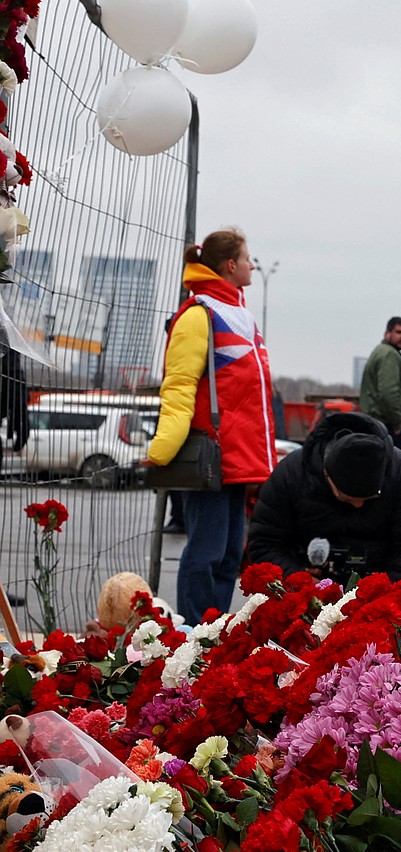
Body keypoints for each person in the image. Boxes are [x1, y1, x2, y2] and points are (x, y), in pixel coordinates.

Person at [246, 411, 401, 649]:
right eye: (348, 498)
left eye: (368, 499)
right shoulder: (292, 473)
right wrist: (296, 577)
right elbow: (263, 543)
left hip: (383, 575)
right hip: (313, 580)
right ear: (326, 475)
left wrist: (384, 590)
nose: (359, 505)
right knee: (269, 581)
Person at [147, 228, 275, 625]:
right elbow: (180, 384)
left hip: (238, 458)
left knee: (227, 556)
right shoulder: (199, 313)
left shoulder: (240, 314)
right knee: (204, 553)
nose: (253, 264)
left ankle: (213, 631)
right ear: (230, 265)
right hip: (212, 458)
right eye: (248, 257)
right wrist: (162, 449)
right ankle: (191, 635)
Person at [359, 317, 401, 446]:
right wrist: (397, 423)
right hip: (387, 425)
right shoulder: (389, 355)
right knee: (393, 464)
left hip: (376, 422)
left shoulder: (381, 352)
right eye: (398, 332)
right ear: (387, 334)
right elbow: (388, 392)